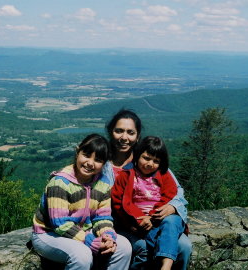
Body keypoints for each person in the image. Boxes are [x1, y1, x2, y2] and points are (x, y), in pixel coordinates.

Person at [101, 109, 192, 270]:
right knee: (144, 246)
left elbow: (177, 192)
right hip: (123, 225)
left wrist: (172, 207)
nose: (124, 137)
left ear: (137, 136)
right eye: (119, 131)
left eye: (130, 132)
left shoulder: (150, 161)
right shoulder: (102, 164)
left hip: (154, 222)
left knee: (184, 246)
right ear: (110, 131)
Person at [31, 134, 132, 270]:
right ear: (78, 152)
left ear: (104, 163)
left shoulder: (102, 184)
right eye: (86, 155)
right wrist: (90, 241)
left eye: (98, 159)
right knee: (82, 255)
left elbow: (102, 217)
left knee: (124, 246)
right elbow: (60, 224)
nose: (90, 163)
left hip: (82, 231)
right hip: (48, 234)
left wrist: (108, 236)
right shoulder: (60, 182)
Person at [112, 136, 186, 270]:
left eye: (156, 161)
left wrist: (152, 216)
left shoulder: (164, 175)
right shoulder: (127, 175)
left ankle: (166, 266)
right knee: (152, 242)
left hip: (160, 218)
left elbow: (170, 195)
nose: (150, 164)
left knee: (172, 222)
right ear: (137, 155)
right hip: (140, 223)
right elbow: (118, 202)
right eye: (146, 158)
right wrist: (136, 221)